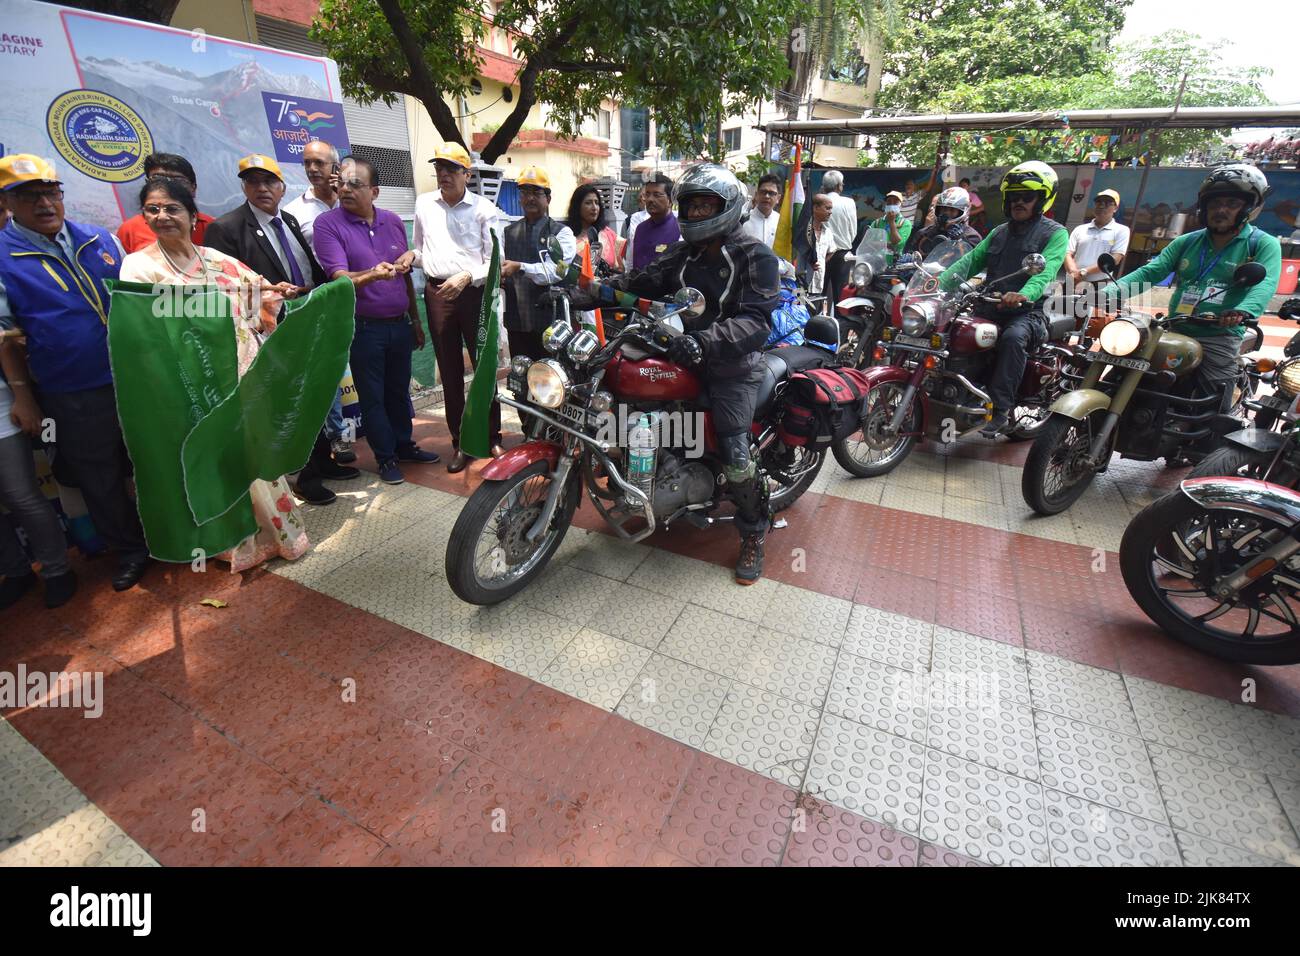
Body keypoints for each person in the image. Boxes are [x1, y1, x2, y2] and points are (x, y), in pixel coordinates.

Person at [573, 163, 780, 585]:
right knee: (626, 397)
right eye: (692, 206)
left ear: (727, 207)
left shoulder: (756, 255)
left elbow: (757, 320)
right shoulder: (684, 253)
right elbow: (641, 284)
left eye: (707, 206)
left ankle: (755, 529)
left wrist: (706, 341)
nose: (698, 214)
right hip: (680, 353)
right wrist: (592, 289)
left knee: (737, 457)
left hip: (732, 365)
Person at [119, 176, 312, 571]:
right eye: (153, 210)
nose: (162, 216)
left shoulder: (218, 260)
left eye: (172, 208)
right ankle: (234, 543)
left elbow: (258, 293)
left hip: (242, 375)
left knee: (254, 459)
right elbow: (142, 328)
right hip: (191, 383)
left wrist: (277, 292)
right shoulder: (138, 267)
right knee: (217, 462)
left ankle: (278, 537)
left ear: (192, 216)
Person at [0, 154, 151, 591]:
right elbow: (7, 341)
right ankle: (129, 550)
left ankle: (167, 536)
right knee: (98, 475)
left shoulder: (97, 238)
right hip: (71, 391)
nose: (46, 203)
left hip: (134, 377)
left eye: (52, 192)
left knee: (147, 460)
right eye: (31, 196)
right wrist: (24, 396)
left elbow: (137, 303)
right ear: (8, 201)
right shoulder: (5, 258)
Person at [204, 153, 359, 505]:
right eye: (253, 182)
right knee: (287, 403)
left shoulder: (287, 219)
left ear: (281, 187)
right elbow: (224, 290)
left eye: (269, 182)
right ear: (244, 186)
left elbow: (311, 269)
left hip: (306, 318)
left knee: (314, 397)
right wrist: (268, 291)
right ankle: (304, 476)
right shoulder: (225, 229)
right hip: (269, 330)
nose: (262, 188)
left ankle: (324, 461)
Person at [1099, 164, 1281, 409]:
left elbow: (1266, 282)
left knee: (1214, 394)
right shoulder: (1187, 242)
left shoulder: (1261, 244)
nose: (1221, 210)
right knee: (1122, 369)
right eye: (1215, 204)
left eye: (1231, 203)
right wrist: (1104, 294)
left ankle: (1209, 440)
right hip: (1175, 326)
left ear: (1249, 207)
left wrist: (1244, 310)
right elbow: (1151, 272)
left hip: (1219, 333)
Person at [317, 157, 440, 485]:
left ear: (374, 191)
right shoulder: (328, 225)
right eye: (341, 182)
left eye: (355, 184)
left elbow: (404, 277)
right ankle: (385, 458)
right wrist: (373, 273)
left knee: (398, 392)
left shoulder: (392, 221)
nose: (345, 189)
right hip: (364, 328)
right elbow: (340, 280)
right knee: (372, 397)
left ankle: (404, 445)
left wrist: (415, 320)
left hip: (399, 324)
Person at [942, 161, 1069, 437]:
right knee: (952, 328)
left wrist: (1025, 293)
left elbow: (1045, 271)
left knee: (1013, 338)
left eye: (1026, 197)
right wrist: (935, 284)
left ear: (1043, 199)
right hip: (989, 305)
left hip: (1028, 311)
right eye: (1013, 196)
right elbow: (968, 262)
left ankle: (1000, 409)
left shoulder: (1055, 233)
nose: (1018, 202)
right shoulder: (999, 232)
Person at [408, 142, 502, 473]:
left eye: (451, 169)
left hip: (474, 293)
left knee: (484, 367)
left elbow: (494, 261)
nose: (443, 175)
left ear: (467, 173)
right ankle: (460, 442)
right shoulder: (424, 205)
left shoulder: (483, 208)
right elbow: (421, 250)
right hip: (437, 294)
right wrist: (410, 258)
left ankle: (491, 435)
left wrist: (467, 276)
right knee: (449, 372)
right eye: (439, 169)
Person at [284, 140, 354, 466]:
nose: (313, 169)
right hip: (322, 298)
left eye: (320, 163)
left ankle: (359, 432)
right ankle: (336, 436)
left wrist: (345, 198)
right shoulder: (295, 211)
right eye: (307, 163)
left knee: (360, 368)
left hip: (361, 294)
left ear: (335, 167)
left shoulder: (351, 202)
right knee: (328, 370)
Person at [502, 166, 577, 362]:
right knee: (521, 378)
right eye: (525, 193)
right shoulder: (508, 232)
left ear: (548, 199)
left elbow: (557, 272)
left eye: (537, 193)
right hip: (517, 320)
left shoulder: (562, 233)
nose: (530, 198)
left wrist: (520, 267)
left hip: (551, 323)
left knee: (552, 381)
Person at [116, 153, 214, 253]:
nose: (167, 188)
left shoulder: (211, 227)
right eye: (158, 179)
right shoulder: (130, 229)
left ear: (193, 188)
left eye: (178, 181)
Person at [1066, 189, 1129, 286]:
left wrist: (1083, 272)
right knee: (1062, 302)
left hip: (1099, 284)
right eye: (1099, 202)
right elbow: (1067, 253)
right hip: (1073, 280)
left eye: (1107, 203)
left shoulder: (1121, 230)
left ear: (1115, 208)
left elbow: (1115, 259)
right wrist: (1073, 272)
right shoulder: (1080, 229)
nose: (1102, 205)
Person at [905, 186, 982, 258]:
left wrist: (960, 240)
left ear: (962, 211)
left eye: (952, 210)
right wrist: (934, 231)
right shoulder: (924, 233)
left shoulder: (972, 236)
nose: (947, 213)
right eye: (944, 209)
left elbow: (969, 263)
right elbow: (914, 256)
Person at [625, 172, 680, 270]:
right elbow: (630, 264)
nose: (650, 199)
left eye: (657, 195)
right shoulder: (640, 228)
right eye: (647, 194)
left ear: (670, 200)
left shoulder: (680, 229)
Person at [566, 182, 621, 273]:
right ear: (577, 207)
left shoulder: (608, 234)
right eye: (588, 203)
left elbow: (620, 268)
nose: (594, 208)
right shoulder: (567, 236)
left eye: (597, 203)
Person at [821, 170, 857, 308]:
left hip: (821, 254)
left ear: (824, 187)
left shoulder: (817, 202)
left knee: (817, 293)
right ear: (839, 186)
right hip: (842, 255)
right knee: (840, 296)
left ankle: (810, 325)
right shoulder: (848, 203)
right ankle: (840, 327)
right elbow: (853, 232)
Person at [804, 193, 835, 307]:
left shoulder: (828, 232)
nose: (830, 212)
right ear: (815, 208)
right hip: (801, 285)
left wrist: (821, 261)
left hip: (818, 285)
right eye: (827, 208)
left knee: (813, 316)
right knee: (800, 315)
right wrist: (808, 264)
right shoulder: (803, 231)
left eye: (831, 209)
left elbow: (832, 250)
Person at [867, 190, 913, 260]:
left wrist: (891, 222)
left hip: (894, 263)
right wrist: (888, 245)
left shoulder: (905, 223)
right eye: (889, 202)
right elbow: (868, 243)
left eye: (895, 202)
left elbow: (896, 243)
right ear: (886, 204)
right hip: (875, 261)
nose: (892, 204)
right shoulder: (877, 223)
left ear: (901, 205)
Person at [743, 174, 782, 248]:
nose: (767, 196)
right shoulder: (743, 220)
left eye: (771, 193)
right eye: (763, 192)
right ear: (756, 195)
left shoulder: (781, 222)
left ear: (778, 198)